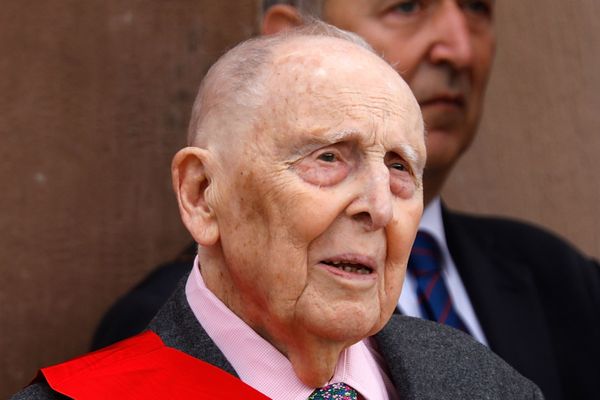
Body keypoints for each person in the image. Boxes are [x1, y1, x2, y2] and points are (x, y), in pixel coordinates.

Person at [92, 2, 600, 399]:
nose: (378, 208)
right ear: (203, 194)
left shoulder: (491, 383)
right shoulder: (113, 383)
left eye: (400, 167)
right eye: (330, 158)